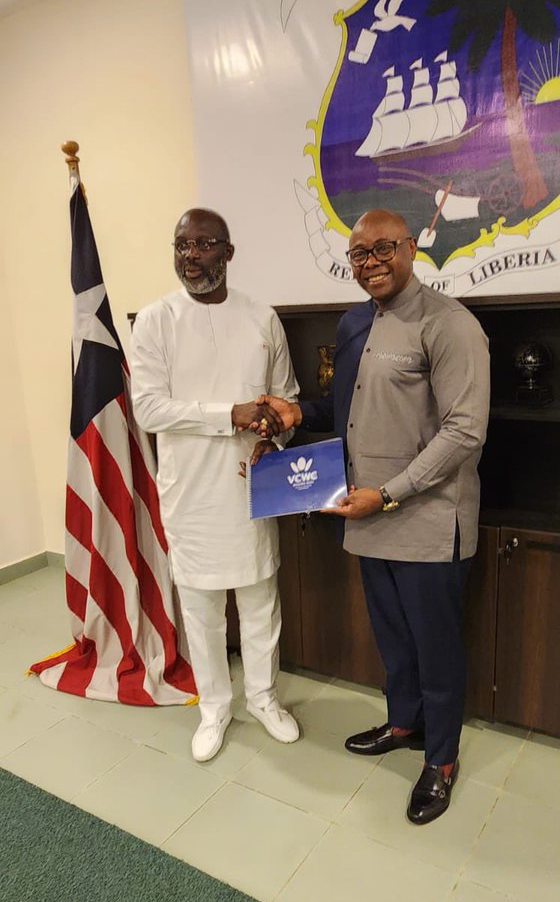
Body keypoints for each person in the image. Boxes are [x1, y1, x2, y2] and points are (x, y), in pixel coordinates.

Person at [256, 209, 490, 824]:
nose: (371, 262)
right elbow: (345, 407)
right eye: (359, 253)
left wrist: (388, 494)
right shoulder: (356, 321)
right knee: (393, 639)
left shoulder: (451, 324)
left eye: (384, 248)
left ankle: (440, 760)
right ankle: (404, 724)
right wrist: (294, 415)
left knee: (436, 648)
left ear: (411, 248)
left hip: (428, 520)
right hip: (367, 516)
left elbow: (465, 432)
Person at [130, 208, 300, 762]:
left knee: (259, 600)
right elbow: (150, 408)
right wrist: (230, 413)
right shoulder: (155, 320)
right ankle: (213, 708)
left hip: (252, 486)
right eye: (182, 245)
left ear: (228, 253)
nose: (191, 256)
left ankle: (264, 698)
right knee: (201, 608)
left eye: (204, 245)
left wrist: (271, 427)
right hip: (192, 492)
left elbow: (286, 395)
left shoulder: (262, 317)